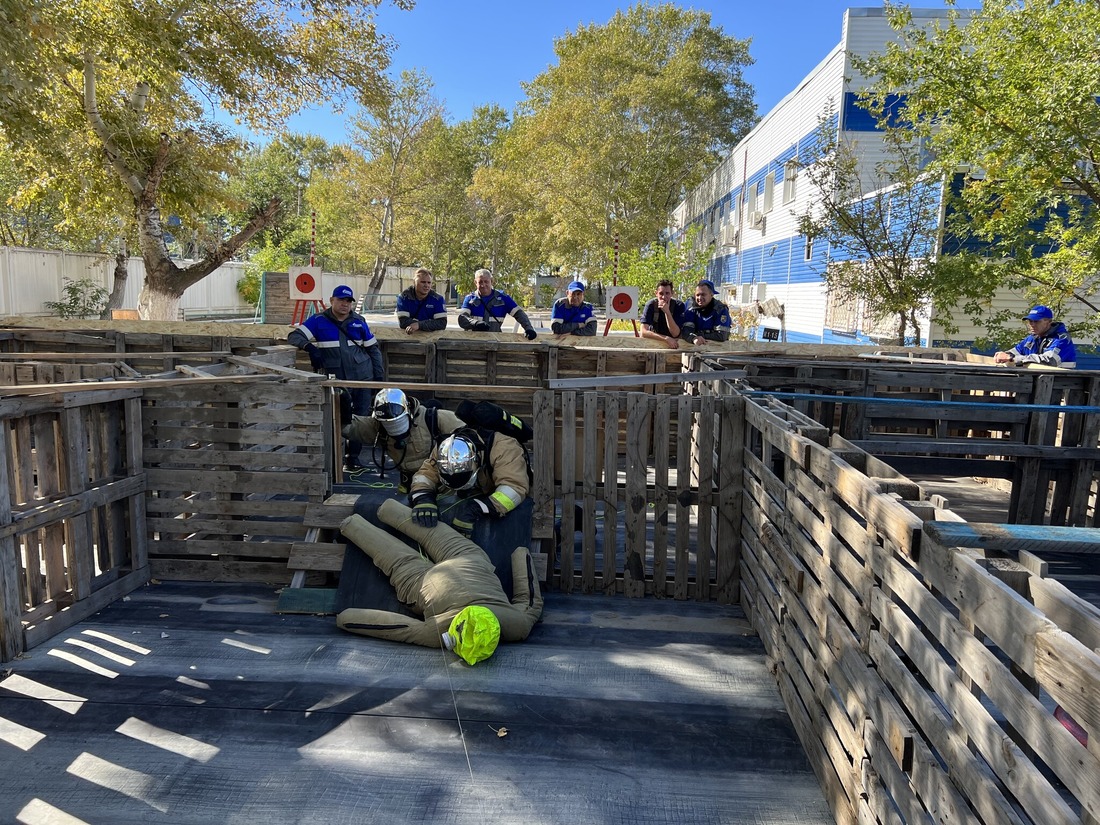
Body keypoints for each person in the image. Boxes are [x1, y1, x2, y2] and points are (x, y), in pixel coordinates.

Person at [336, 499, 543, 663]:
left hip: (470, 561)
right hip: (426, 582)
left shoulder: (518, 625)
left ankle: (389, 509)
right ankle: (353, 525)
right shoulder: (438, 632)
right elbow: (393, 628)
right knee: (395, 557)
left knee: (433, 533)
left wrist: (520, 554)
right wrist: (345, 618)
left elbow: (530, 597)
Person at [287, 284, 385, 471]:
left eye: (348, 301)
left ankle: (353, 460)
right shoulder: (318, 321)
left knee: (361, 418)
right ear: (331, 301)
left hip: (362, 378)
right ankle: (332, 461)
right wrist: (310, 348)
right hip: (336, 381)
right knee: (334, 418)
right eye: (341, 300)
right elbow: (294, 336)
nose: (345, 304)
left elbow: (373, 350)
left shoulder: (359, 320)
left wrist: (378, 378)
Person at [409, 429, 529, 537]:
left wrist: (476, 508)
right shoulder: (444, 450)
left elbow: (514, 488)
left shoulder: (504, 448)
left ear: (476, 459)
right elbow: (425, 475)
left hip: (505, 495)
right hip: (472, 492)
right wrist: (423, 498)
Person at [342, 388, 465, 490]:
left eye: (398, 423)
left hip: (441, 486)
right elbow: (351, 428)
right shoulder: (378, 426)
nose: (394, 429)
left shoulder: (435, 418)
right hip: (406, 485)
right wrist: (343, 410)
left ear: (409, 411)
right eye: (388, 425)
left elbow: (468, 434)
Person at [458, 268, 538, 339]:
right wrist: (475, 323)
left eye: (486, 281)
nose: (483, 285)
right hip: (473, 343)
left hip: (494, 342)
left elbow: (519, 314)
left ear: (492, 281)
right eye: (480, 282)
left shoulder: (503, 298)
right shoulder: (470, 299)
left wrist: (529, 328)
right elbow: (462, 319)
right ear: (475, 282)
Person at [994, 305, 1077, 369]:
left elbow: (1049, 361)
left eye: (1036, 321)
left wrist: (1014, 359)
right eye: (1030, 321)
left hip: (1059, 386)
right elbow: (1014, 352)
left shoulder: (1061, 339)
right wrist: (1004, 354)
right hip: (1036, 383)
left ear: (1049, 322)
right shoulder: (1032, 338)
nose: (1032, 325)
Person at [395, 267, 448, 334]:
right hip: (410, 337)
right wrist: (428, 324)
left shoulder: (438, 299)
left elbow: (441, 323)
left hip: (431, 339)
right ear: (414, 282)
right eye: (423, 282)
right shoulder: (404, 297)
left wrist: (419, 325)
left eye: (429, 283)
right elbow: (403, 322)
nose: (426, 285)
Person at [681, 279, 732, 344]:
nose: (700, 298)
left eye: (703, 295)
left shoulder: (721, 309)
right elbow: (686, 331)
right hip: (693, 348)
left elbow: (721, 336)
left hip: (716, 349)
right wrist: (693, 338)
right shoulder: (690, 307)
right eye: (697, 295)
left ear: (711, 295)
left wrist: (700, 336)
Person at [640, 279, 685, 349]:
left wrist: (667, 312)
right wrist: (665, 339)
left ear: (672, 293)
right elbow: (643, 332)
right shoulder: (651, 305)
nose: (664, 297)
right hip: (655, 343)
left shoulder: (678, 306)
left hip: (674, 345)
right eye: (661, 294)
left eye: (667, 293)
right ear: (656, 293)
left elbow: (675, 333)